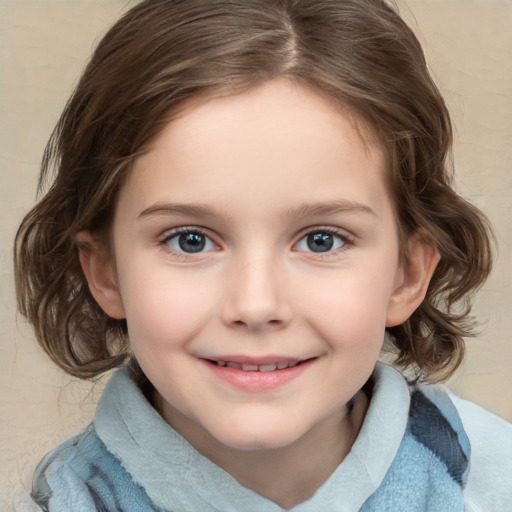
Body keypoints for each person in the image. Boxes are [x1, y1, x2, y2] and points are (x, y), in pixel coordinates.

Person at [13, 0, 512, 510]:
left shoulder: (488, 481)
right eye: (191, 240)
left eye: (322, 239)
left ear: (406, 274)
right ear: (107, 272)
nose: (255, 305)